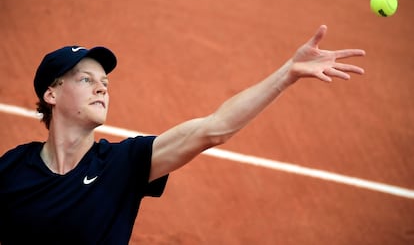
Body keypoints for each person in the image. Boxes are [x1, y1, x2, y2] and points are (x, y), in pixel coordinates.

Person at [0, 25, 365, 244]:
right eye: (86, 80)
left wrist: (287, 73)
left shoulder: (123, 164)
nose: (102, 89)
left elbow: (213, 129)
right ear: (51, 94)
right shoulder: (11, 169)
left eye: (105, 82)